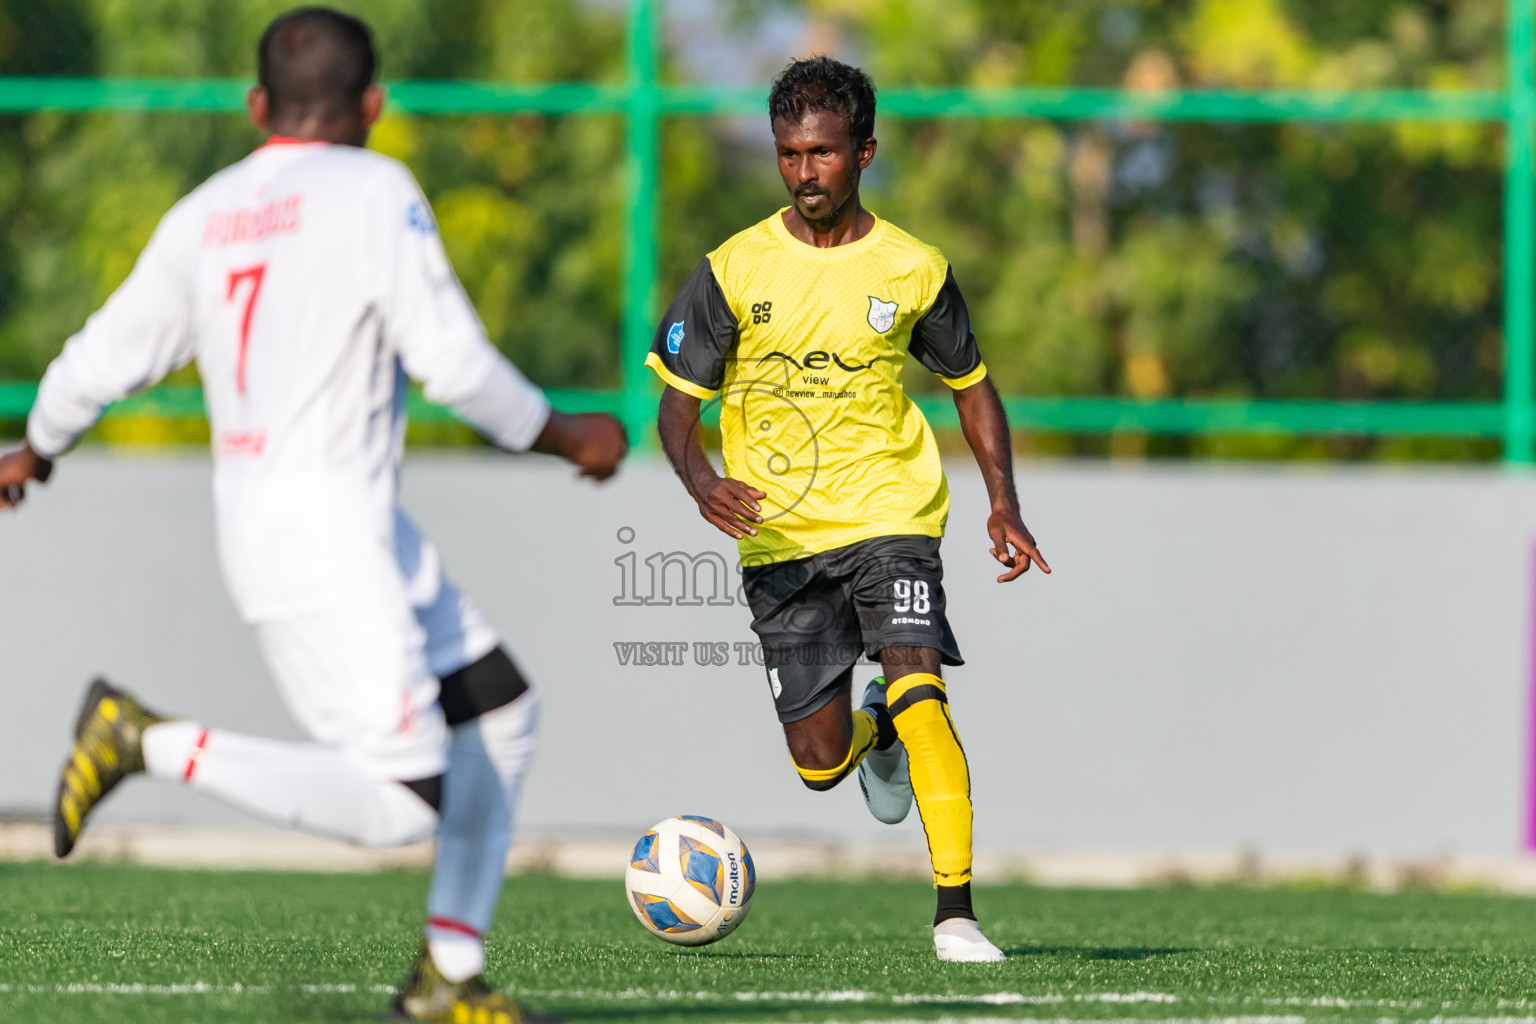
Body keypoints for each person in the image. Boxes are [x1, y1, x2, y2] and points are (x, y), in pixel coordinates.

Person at [0, 8, 624, 1022]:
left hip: (325, 525)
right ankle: (143, 740)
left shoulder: (204, 213)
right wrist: (566, 433)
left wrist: (38, 446)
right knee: (401, 800)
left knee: (501, 714)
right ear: (371, 107)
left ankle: (447, 979)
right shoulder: (376, 189)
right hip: (324, 539)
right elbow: (457, 365)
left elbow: (92, 361)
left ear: (258, 108)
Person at [646, 55, 1050, 963]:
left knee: (923, 690)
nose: (804, 173)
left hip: (890, 516)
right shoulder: (732, 270)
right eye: (789, 154)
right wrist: (702, 481)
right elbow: (676, 405)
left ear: (864, 152)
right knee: (820, 763)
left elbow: (972, 386)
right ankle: (873, 740)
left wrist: (1003, 504)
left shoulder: (912, 268)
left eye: (822, 154)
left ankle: (956, 914)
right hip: (780, 539)